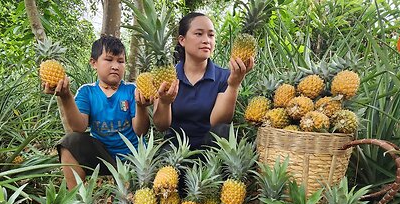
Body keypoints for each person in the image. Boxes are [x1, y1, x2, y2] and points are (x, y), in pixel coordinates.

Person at [43, 35, 152, 189]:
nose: (115, 66)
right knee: (69, 142)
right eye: (109, 60)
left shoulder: (131, 90)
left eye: (120, 61)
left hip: (134, 157)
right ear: (94, 63)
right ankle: (77, 202)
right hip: (103, 155)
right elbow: (79, 128)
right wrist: (66, 97)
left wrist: (141, 106)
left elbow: (140, 131)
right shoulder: (87, 92)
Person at [152, 12, 254, 150]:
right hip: (174, 150)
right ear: (182, 40)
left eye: (211, 35)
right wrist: (164, 102)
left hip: (210, 150)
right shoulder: (166, 77)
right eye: (199, 34)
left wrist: (233, 85)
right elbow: (161, 126)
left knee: (223, 131)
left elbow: (218, 124)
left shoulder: (224, 77)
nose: (206, 40)